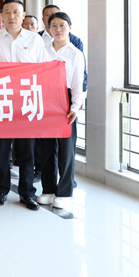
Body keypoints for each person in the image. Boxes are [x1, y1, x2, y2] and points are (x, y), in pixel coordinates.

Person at [0, 0, 50, 210]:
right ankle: (0, 191)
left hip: (26, 101)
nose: (11, 16)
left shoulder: (34, 40)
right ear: (2, 16)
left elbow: (44, 68)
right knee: (1, 150)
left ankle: (27, 193)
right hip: (1, 100)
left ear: (23, 15)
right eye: (7, 12)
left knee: (27, 151)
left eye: (16, 12)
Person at [36, 12, 84, 211]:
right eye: (53, 26)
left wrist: (75, 107)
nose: (58, 30)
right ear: (48, 29)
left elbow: (78, 83)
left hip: (66, 99)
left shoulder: (75, 53)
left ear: (69, 28)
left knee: (66, 150)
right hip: (45, 98)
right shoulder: (42, 48)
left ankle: (64, 193)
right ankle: (48, 189)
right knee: (46, 148)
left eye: (62, 25)